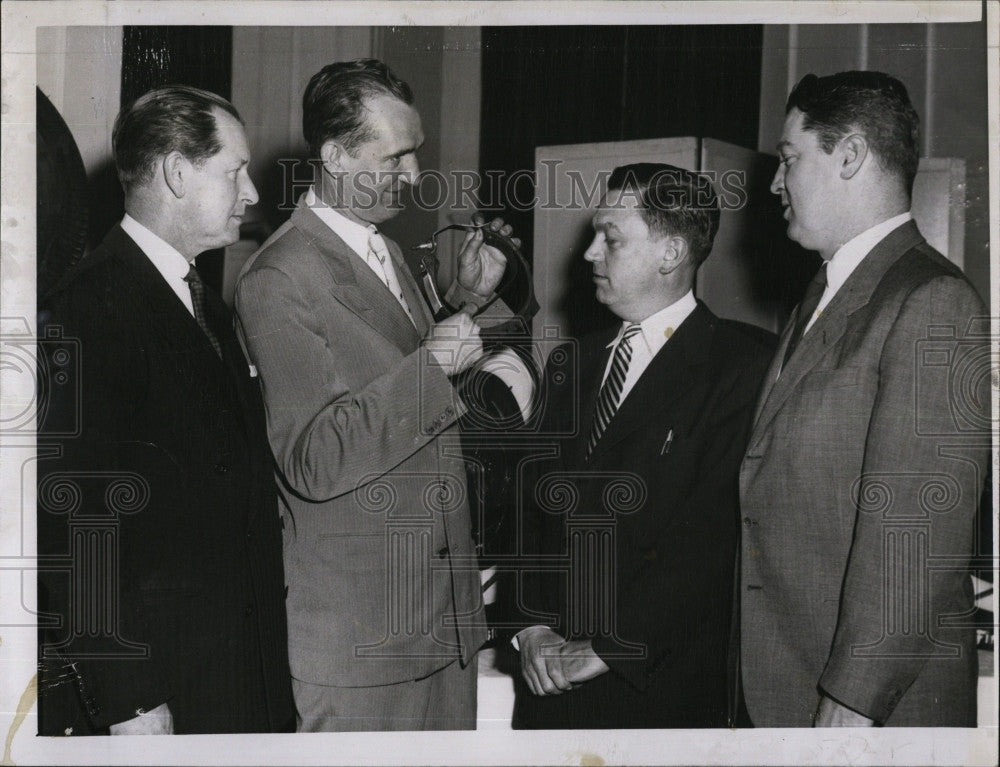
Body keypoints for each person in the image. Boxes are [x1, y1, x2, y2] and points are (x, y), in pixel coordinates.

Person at [234, 59, 517, 731]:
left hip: (439, 628)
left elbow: (386, 373)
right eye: (395, 159)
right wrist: (431, 365)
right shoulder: (278, 276)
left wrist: (464, 303)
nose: (415, 177)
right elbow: (314, 457)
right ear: (334, 155)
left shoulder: (383, 248)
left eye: (415, 153)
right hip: (363, 646)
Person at [37, 85, 294, 735]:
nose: (253, 194)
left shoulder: (203, 300)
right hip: (167, 696)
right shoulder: (90, 306)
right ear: (178, 173)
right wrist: (130, 702)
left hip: (240, 680)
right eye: (235, 171)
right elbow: (77, 525)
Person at [740, 71, 990, 727]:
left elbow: (914, 535)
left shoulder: (933, 300)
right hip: (790, 683)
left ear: (848, 155)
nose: (775, 183)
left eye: (790, 159)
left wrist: (851, 701)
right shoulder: (822, 296)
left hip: (867, 713)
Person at [512, 163, 775, 729]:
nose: (587, 254)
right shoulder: (571, 363)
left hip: (657, 692)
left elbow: (715, 535)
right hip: (547, 688)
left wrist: (609, 648)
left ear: (671, 251)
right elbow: (529, 509)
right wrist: (530, 628)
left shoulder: (742, 367)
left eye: (609, 237)